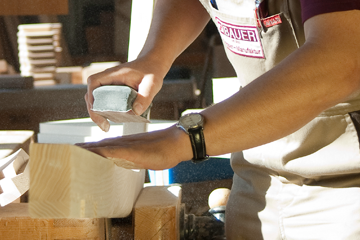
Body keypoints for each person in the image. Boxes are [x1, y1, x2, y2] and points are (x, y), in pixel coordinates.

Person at [77, 0, 360, 239]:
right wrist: (155, 56)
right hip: (257, 175)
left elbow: (340, 59)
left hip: (346, 183)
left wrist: (186, 139)